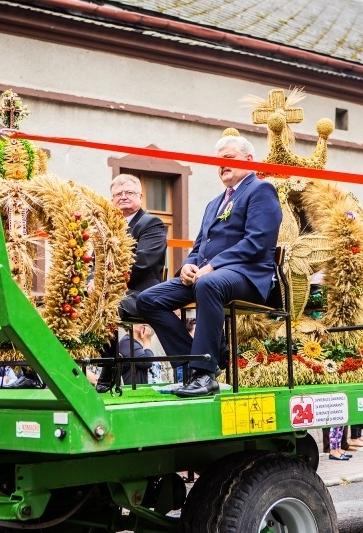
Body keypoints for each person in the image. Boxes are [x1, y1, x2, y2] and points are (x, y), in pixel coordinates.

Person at [137, 135, 282, 397]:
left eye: (228, 159)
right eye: (218, 162)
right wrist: (189, 267)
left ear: (249, 160)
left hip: (247, 277)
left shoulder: (261, 190)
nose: (221, 166)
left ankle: (205, 374)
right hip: (207, 279)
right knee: (149, 299)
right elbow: (199, 246)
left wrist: (212, 266)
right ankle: (189, 368)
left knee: (208, 283)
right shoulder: (213, 203)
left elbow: (257, 242)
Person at [95, 174, 167, 392]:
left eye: (129, 192)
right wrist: (92, 282)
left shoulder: (151, 224)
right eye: (118, 194)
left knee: (105, 306)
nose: (123, 197)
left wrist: (104, 282)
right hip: (112, 293)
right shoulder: (107, 228)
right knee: (85, 305)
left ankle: (109, 366)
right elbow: (94, 263)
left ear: (141, 197)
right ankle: (107, 362)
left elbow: (141, 263)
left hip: (142, 293)